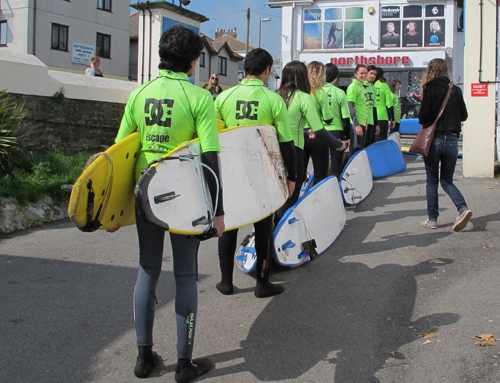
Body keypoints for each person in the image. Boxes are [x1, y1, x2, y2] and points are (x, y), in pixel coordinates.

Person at [113, 25, 225, 382]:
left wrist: (112, 212)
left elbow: (119, 157)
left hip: (145, 194)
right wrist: (217, 212)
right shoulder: (198, 98)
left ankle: (144, 358)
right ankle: (184, 363)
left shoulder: (138, 94)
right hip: (184, 198)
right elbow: (210, 159)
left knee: (147, 269)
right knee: (186, 274)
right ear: (193, 63)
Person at [214, 48, 297, 298]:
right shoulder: (274, 100)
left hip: (232, 170)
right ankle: (262, 283)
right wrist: (291, 177)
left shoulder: (223, 97)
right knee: (263, 226)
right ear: (267, 70)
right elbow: (285, 143)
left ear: (245, 68)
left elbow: (215, 136)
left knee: (230, 225)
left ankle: (226, 282)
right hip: (262, 171)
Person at [274, 61, 347, 224]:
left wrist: (306, 132)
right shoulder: (304, 97)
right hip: (294, 150)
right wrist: (338, 144)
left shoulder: (275, 95)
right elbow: (320, 129)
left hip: (275, 149)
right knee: (293, 191)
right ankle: (284, 230)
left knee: (279, 193)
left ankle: (271, 232)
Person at [418, 58, 471, 231]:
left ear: (431, 70)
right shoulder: (455, 90)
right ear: (445, 70)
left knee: (432, 181)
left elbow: (423, 117)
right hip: (453, 140)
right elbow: (464, 115)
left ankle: (432, 219)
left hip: (434, 140)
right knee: (447, 181)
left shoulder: (430, 88)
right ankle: (462, 208)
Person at [303, 61, 335, 184]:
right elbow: (328, 118)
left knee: (300, 173)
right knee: (320, 174)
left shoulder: (301, 91)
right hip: (317, 134)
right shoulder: (321, 93)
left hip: (301, 134)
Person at [322, 63, 351, 178]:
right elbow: (345, 117)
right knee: (336, 167)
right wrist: (347, 135)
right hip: (337, 132)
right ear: (335, 77)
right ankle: (336, 192)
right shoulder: (340, 92)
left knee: (321, 167)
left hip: (320, 132)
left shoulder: (315, 92)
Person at [346, 64, 368, 157]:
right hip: (356, 124)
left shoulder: (362, 87)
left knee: (360, 149)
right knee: (355, 150)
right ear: (356, 74)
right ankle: (351, 171)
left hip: (363, 122)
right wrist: (357, 125)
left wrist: (365, 121)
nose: (364, 75)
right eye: (361, 73)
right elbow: (350, 107)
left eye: (365, 73)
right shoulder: (353, 87)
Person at [374, 67, 394, 141]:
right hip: (382, 116)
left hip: (370, 118)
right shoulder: (384, 86)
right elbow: (389, 104)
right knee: (381, 140)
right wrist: (392, 118)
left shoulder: (369, 86)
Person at [364, 65, 380, 147]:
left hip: (371, 121)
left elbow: (374, 107)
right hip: (362, 121)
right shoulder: (361, 86)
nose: (373, 76)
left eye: (375, 74)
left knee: (370, 145)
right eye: (371, 73)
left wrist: (376, 124)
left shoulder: (373, 88)